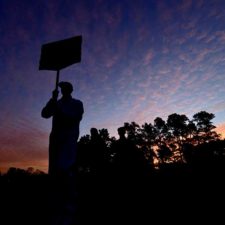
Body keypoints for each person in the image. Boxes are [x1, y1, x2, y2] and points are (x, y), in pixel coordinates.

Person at [41, 81, 84, 177]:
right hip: (56, 140)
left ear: (71, 90)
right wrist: (53, 99)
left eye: (66, 88)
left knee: (68, 168)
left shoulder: (77, 103)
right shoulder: (56, 102)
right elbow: (44, 114)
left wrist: (59, 112)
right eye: (62, 88)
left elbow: (75, 119)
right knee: (55, 169)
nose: (64, 90)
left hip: (69, 140)